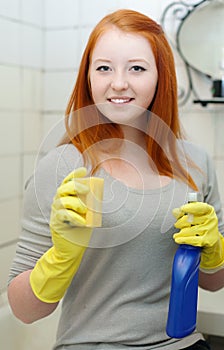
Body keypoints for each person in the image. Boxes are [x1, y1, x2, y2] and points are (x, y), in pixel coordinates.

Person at [7, 8, 224, 350]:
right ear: (88, 76)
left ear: (160, 77)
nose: (118, 82)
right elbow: (23, 310)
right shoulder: (63, 166)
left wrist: (214, 251)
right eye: (104, 67)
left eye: (136, 68)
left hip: (182, 344)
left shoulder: (195, 164)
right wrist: (59, 260)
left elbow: (214, 283)